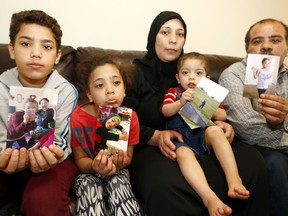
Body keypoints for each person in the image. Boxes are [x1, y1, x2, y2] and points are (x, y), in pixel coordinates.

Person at [124, 10, 269, 216]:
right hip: (154, 148)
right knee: (165, 183)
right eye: (165, 33)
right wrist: (153, 136)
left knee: (253, 162)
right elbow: (122, 118)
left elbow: (215, 109)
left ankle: (233, 188)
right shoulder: (134, 72)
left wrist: (226, 125)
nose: (173, 40)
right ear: (153, 35)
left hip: (202, 137)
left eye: (180, 34)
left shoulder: (195, 70)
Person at [0, 10, 79, 215]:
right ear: (11, 50)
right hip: (5, 160)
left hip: (51, 162)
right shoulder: (0, 87)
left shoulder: (65, 91)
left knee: (43, 200)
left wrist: (50, 156)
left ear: (57, 56)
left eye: (46, 46)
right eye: (26, 44)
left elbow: (61, 141)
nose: (36, 53)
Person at [161, 52, 249, 215]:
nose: (192, 78)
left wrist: (211, 107)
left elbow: (222, 115)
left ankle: (234, 180)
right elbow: (166, 111)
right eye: (186, 73)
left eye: (198, 73)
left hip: (202, 136)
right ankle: (209, 198)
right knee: (182, 153)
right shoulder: (174, 92)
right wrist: (181, 102)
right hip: (182, 139)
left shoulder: (210, 94)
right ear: (178, 78)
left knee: (215, 130)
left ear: (207, 78)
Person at [219, 18, 288, 216]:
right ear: (248, 49)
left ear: (286, 47)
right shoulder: (234, 74)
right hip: (253, 145)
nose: (265, 46)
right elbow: (246, 126)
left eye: (275, 40)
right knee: (275, 163)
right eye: (257, 41)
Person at [70, 54, 142, 215]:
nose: (110, 90)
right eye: (100, 86)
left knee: (120, 184)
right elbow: (80, 160)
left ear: (124, 89)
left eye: (116, 83)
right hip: (88, 172)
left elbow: (128, 158)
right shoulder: (77, 117)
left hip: (117, 171)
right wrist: (94, 166)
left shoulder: (131, 117)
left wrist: (122, 162)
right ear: (89, 94)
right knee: (88, 186)